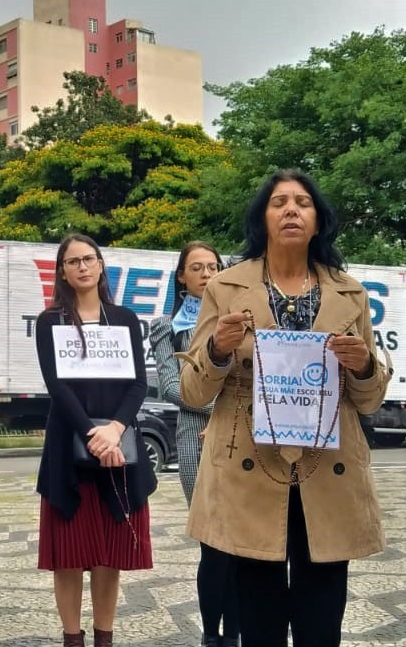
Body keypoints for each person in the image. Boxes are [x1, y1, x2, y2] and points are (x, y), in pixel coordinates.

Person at [180, 170, 386, 647]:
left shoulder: (350, 293)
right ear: (262, 218)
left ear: (318, 221)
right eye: (279, 202)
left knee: (322, 620)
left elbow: (370, 399)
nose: (291, 209)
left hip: (327, 471)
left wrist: (361, 368)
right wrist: (216, 350)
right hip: (250, 473)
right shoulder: (225, 288)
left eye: (302, 203)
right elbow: (193, 391)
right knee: (258, 622)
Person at [34, 234, 155, 647]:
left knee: (109, 556)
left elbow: (138, 384)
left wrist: (114, 430)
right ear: (63, 271)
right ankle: (73, 638)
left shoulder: (124, 319)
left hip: (117, 449)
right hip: (68, 448)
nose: (82, 266)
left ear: (101, 265)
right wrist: (91, 433)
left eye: (89, 259)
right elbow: (58, 386)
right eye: (73, 261)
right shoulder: (51, 321)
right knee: (67, 557)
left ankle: (105, 637)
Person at [150, 242, 238, 647]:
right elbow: (170, 385)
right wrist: (214, 414)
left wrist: (227, 418)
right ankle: (211, 633)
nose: (206, 273)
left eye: (213, 266)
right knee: (213, 544)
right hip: (194, 439)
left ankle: (238, 632)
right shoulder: (168, 327)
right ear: (181, 277)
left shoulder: (240, 318)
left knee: (246, 543)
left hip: (242, 437)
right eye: (196, 267)